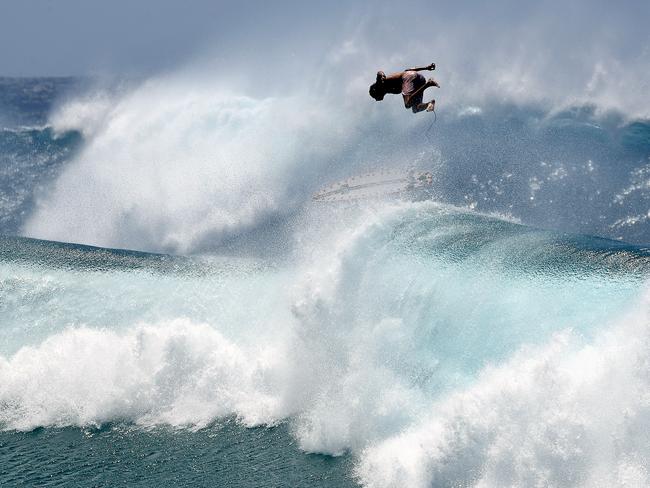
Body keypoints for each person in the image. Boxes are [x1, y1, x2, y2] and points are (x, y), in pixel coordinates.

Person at [368, 63, 440, 113]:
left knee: (407, 104)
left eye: (375, 97)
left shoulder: (380, 84)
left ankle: (429, 84)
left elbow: (379, 72)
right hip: (419, 79)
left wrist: (382, 75)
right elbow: (408, 70)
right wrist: (426, 68)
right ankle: (429, 104)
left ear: (376, 91)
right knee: (415, 109)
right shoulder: (388, 89)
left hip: (408, 77)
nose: (377, 99)